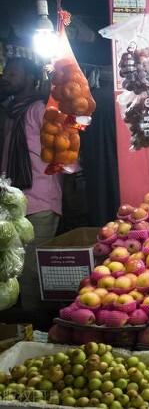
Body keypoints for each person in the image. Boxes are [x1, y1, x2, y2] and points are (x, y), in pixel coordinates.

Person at [0, 57, 62, 311]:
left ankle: (36, 328)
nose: (7, 77)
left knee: (32, 273)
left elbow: (60, 152)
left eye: (13, 74)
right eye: (7, 73)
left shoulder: (39, 110)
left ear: (30, 78)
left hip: (40, 199)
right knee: (14, 268)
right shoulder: (11, 113)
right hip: (14, 204)